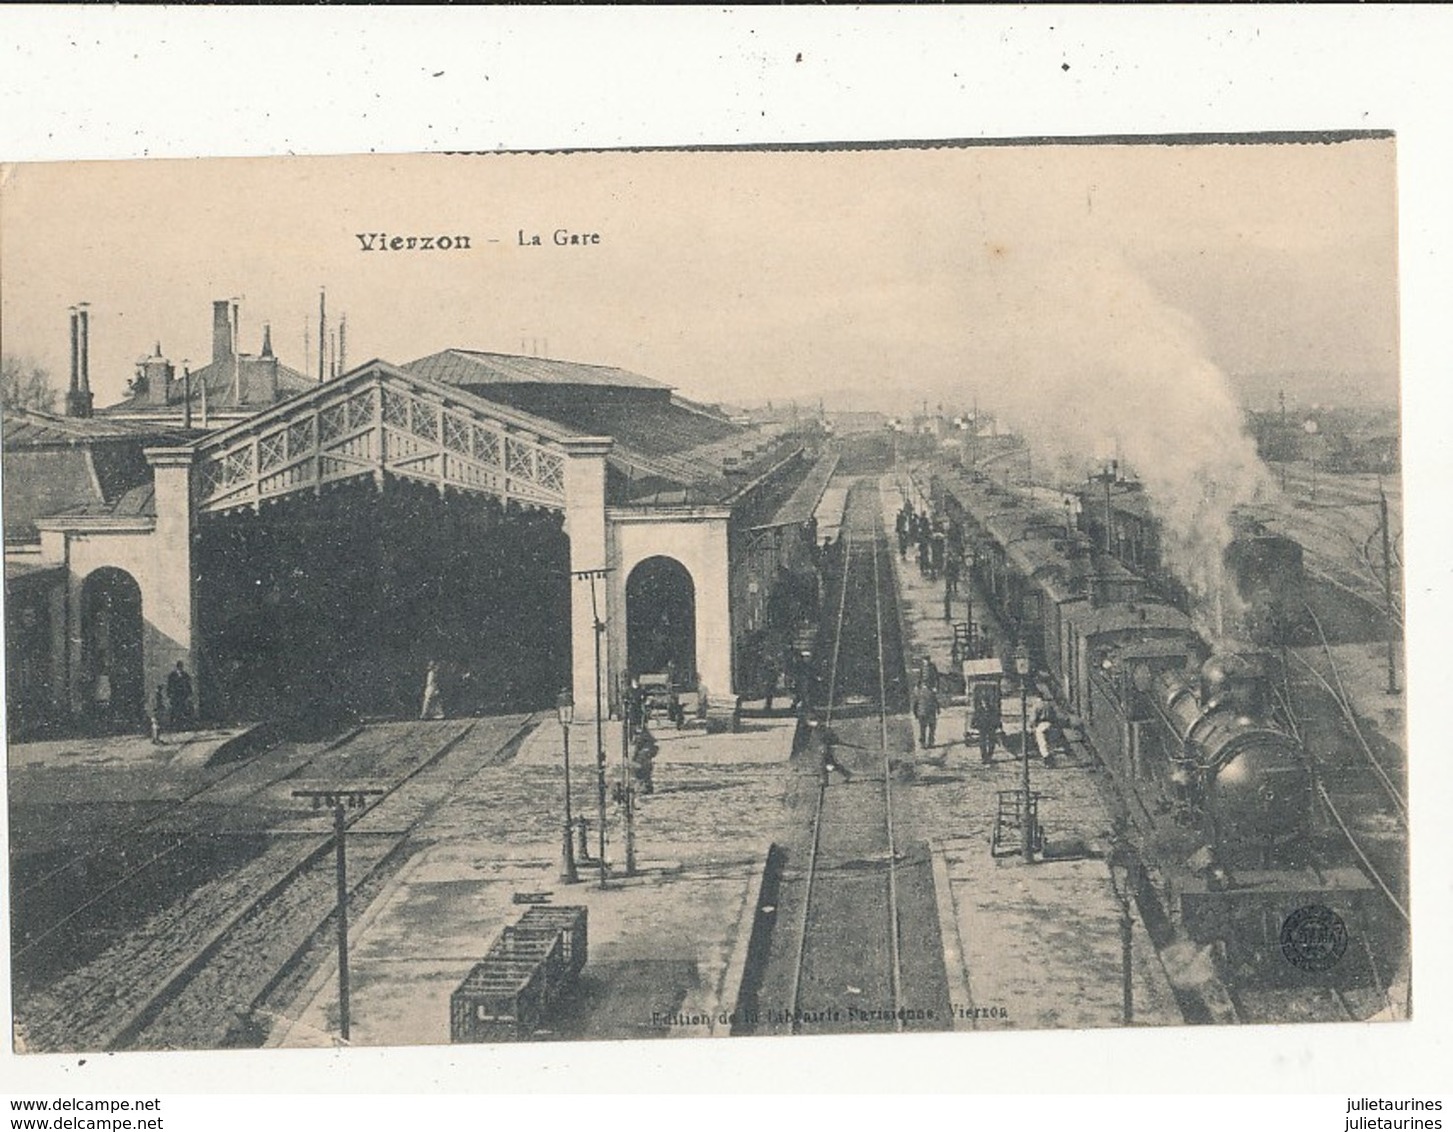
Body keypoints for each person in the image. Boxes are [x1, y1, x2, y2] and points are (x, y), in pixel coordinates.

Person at [911, 678, 939, 750]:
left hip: (922, 713)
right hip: (931, 713)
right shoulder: (932, 692)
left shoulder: (918, 693)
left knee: (922, 729)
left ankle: (923, 744)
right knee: (932, 728)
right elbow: (936, 702)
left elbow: (915, 704)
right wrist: (938, 710)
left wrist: (915, 713)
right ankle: (930, 743)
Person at [632, 724, 658, 795]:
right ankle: (644, 785)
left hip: (645, 751)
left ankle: (646, 786)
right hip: (643, 750)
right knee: (640, 769)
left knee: (642, 768)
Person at [166, 661, 193, 728]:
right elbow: (170, 685)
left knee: (183, 709)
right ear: (177, 667)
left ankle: (182, 724)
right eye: (179, 666)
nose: (181, 668)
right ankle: (173, 724)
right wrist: (169, 694)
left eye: (181, 666)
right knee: (174, 709)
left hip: (183, 695)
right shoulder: (172, 675)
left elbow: (188, 684)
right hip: (175, 695)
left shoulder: (185, 675)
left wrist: (190, 693)